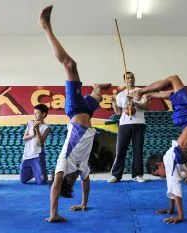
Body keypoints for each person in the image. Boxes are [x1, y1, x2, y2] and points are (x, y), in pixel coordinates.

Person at [39, 5, 111, 222]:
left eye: (67, 182)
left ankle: (45, 27)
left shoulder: (63, 164)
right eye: (71, 182)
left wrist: (53, 214)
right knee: (97, 98)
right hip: (87, 115)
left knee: (70, 65)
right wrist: (83, 203)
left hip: (75, 113)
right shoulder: (82, 168)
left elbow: (55, 186)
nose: (70, 180)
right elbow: (87, 184)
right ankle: (96, 89)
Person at [138, 75, 187, 224]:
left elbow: (176, 187)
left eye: (158, 174)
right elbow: (172, 186)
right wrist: (170, 208)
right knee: (173, 95)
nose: (160, 177)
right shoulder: (171, 160)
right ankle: (151, 95)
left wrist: (180, 215)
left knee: (174, 79)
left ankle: (143, 92)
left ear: (160, 165)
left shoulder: (169, 159)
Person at [108, 72, 149, 183]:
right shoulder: (120, 95)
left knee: (138, 150)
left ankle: (138, 175)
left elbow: (145, 106)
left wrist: (134, 102)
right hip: (124, 124)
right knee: (120, 150)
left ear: (134, 78)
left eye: (132, 77)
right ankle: (116, 175)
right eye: (128, 78)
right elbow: (118, 112)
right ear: (124, 81)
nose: (130, 79)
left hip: (139, 123)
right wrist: (114, 104)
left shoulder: (141, 91)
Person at [20, 104, 51, 184]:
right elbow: (24, 138)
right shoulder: (30, 123)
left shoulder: (46, 127)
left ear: (43, 114)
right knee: (23, 180)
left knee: (41, 182)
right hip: (27, 154)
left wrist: (37, 129)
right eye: (34, 113)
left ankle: (40, 173)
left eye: (37, 113)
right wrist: (32, 134)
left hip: (37, 155)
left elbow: (40, 143)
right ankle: (36, 173)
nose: (35, 115)